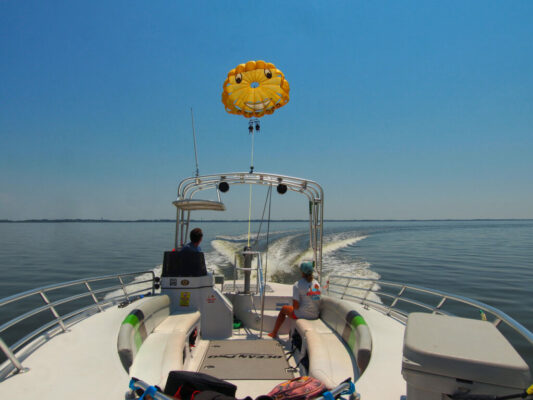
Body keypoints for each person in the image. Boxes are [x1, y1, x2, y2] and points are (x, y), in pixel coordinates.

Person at [268, 261, 321, 338]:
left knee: (284, 309)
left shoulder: (297, 285)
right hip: (315, 315)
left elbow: (296, 307)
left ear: (302, 272)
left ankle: (274, 333)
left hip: (303, 315)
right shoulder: (317, 284)